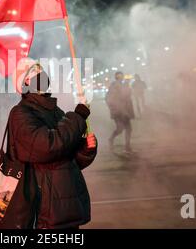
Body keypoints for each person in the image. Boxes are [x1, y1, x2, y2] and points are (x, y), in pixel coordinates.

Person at [7, 63, 97, 229]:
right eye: (34, 71)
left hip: (67, 205)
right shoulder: (20, 113)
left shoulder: (56, 111)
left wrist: (85, 150)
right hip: (46, 210)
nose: (41, 73)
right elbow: (47, 147)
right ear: (25, 82)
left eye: (40, 69)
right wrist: (78, 117)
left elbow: (69, 158)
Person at [106, 71, 135, 152]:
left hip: (125, 111)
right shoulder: (114, 86)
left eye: (122, 76)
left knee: (128, 129)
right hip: (118, 111)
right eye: (119, 77)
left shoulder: (123, 85)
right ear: (117, 77)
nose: (121, 78)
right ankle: (111, 139)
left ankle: (127, 146)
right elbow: (111, 99)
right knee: (120, 129)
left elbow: (127, 97)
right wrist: (114, 109)